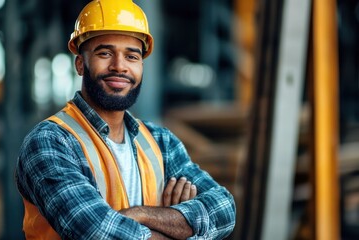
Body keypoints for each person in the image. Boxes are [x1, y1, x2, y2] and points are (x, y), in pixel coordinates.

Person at [15, 0, 236, 239]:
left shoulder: (160, 142)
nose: (119, 67)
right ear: (80, 63)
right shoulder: (50, 142)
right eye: (105, 53)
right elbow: (97, 232)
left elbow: (224, 210)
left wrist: (141, 214)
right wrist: (175, 224)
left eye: (131, 56)